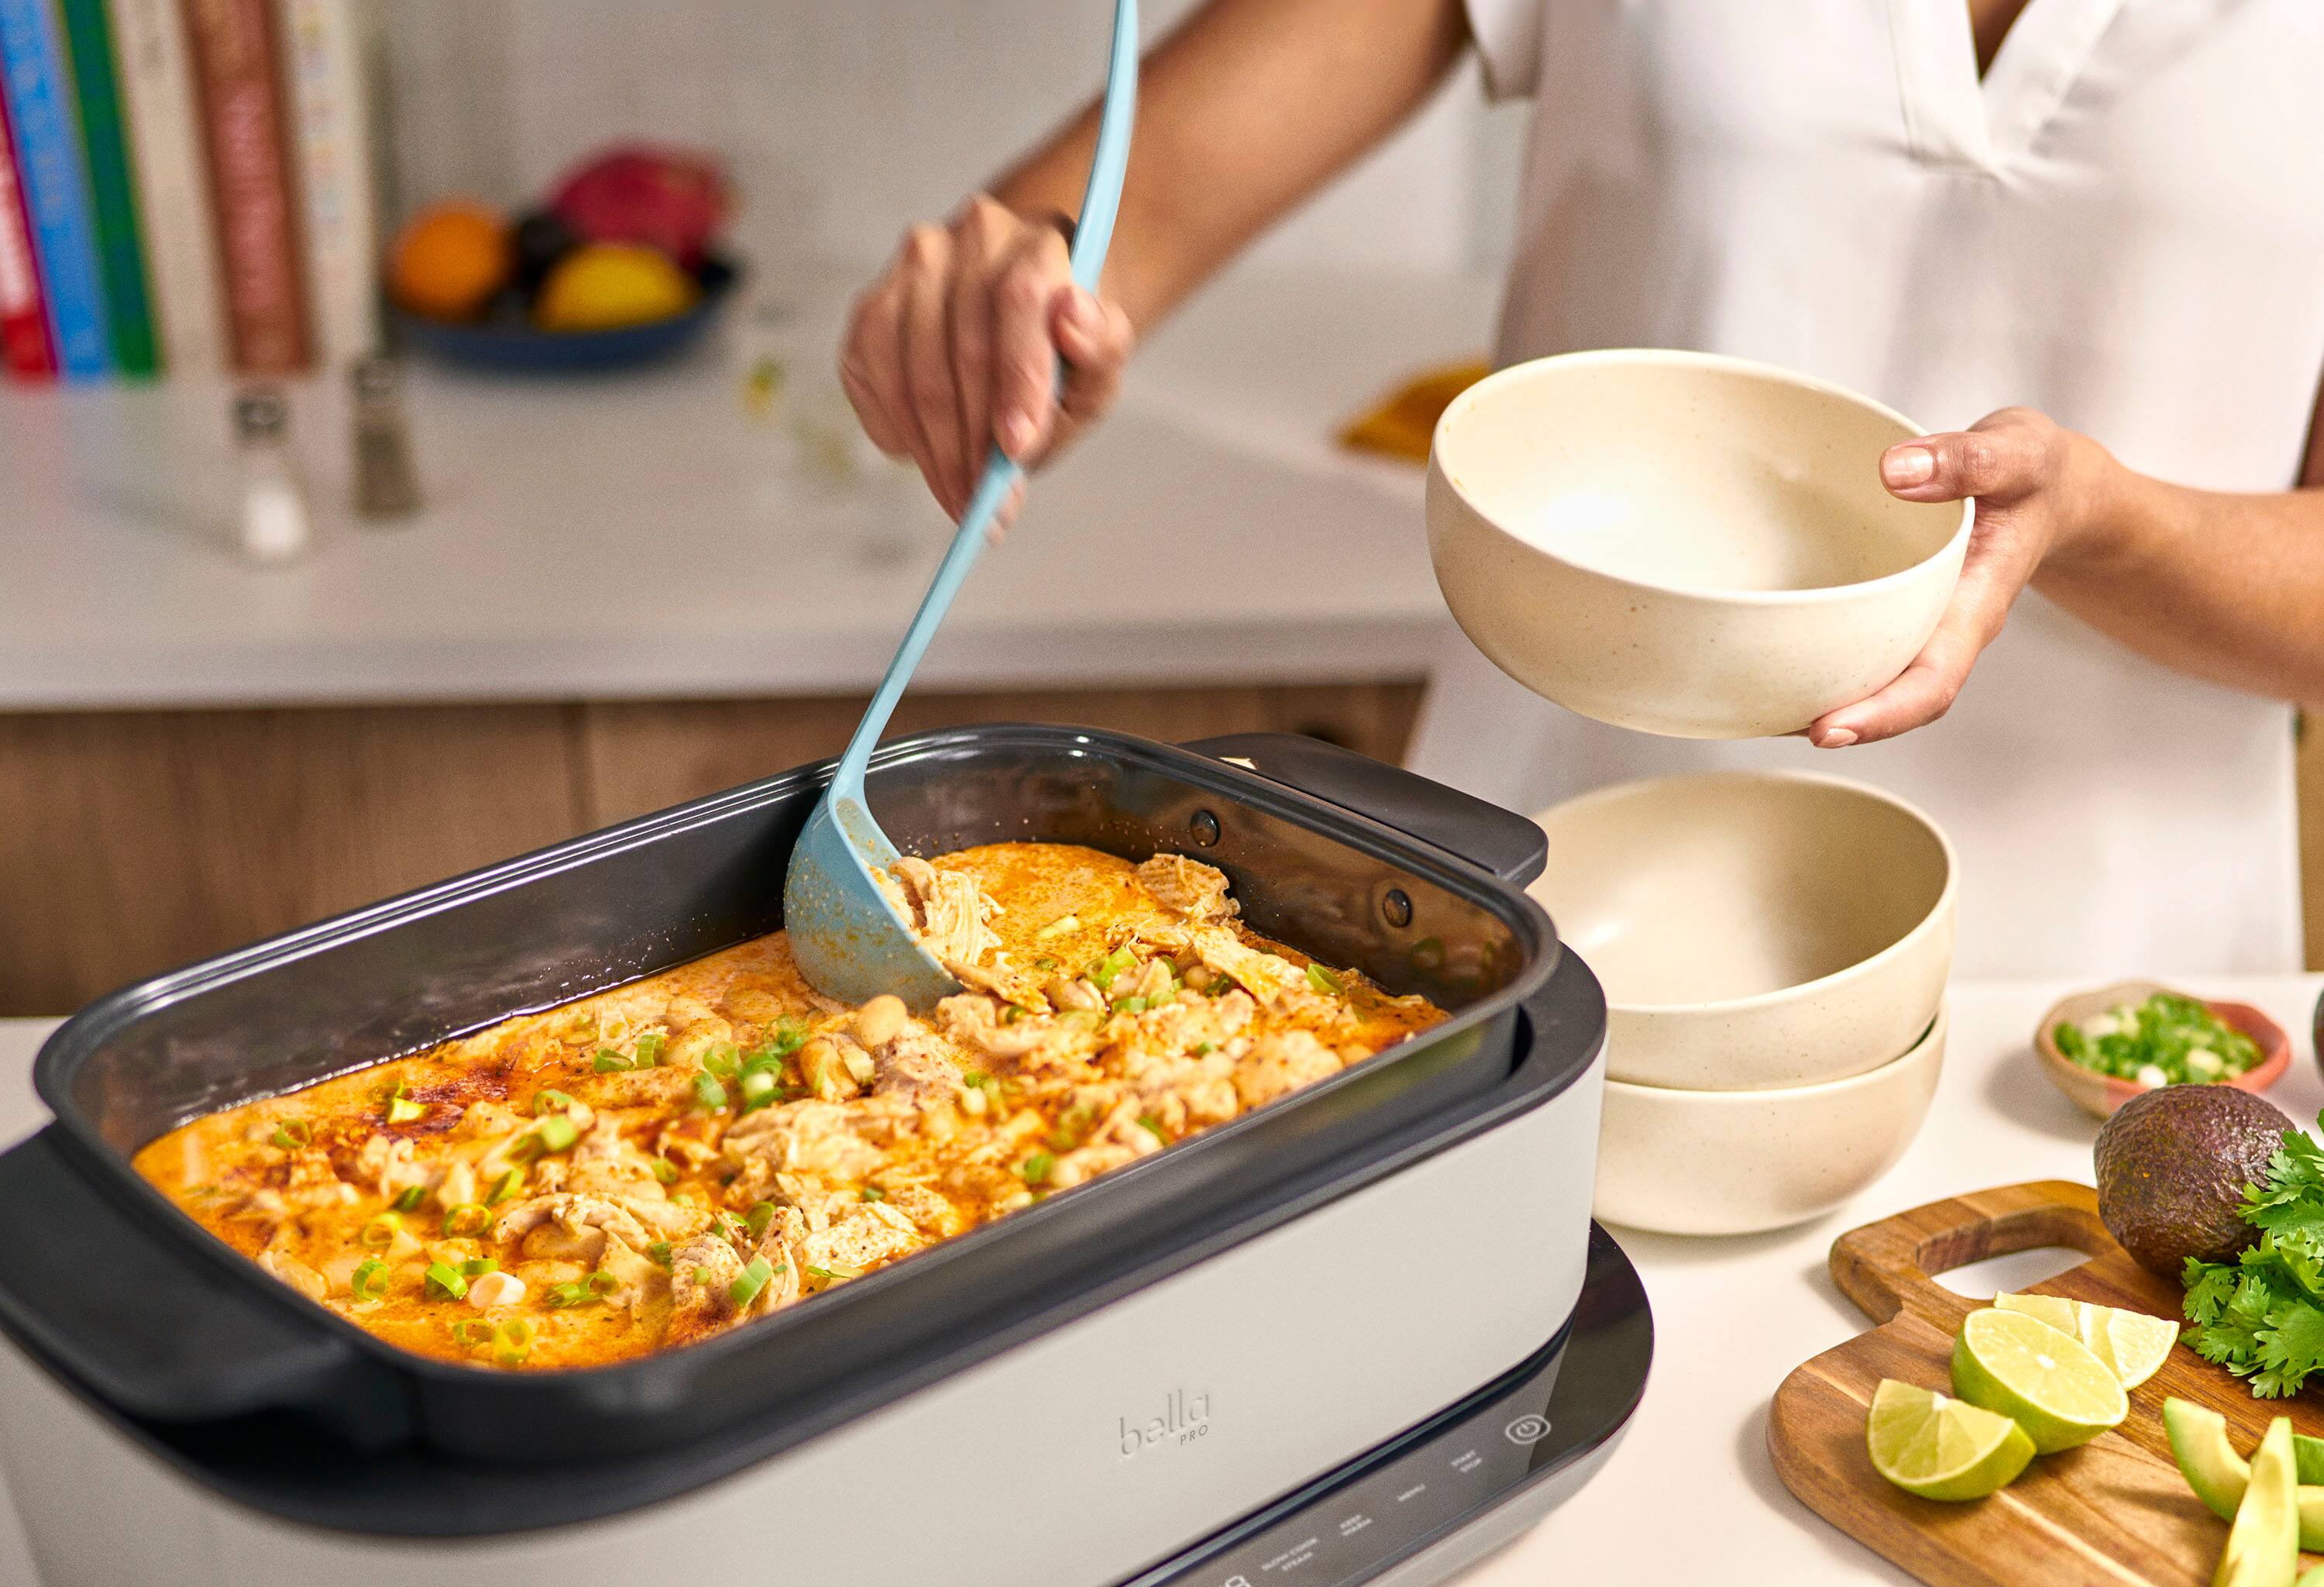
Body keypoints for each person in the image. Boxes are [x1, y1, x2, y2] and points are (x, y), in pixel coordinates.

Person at [839, 0, 2324, 976]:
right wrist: (1021, 287)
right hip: (1536, 910)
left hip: (2114, 1011)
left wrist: (2104, 523)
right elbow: (1117, 209)